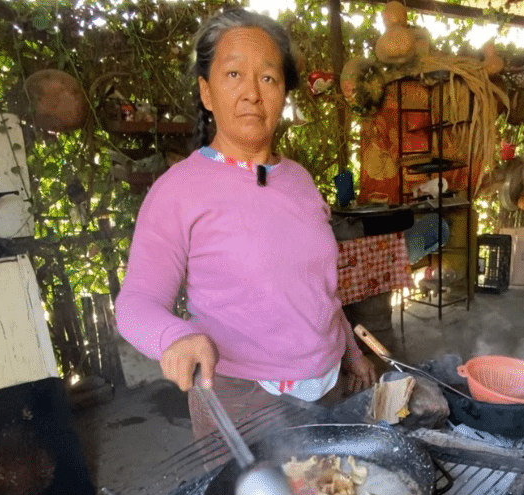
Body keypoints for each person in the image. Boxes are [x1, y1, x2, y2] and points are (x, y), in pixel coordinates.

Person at [114, 7, 377, 442]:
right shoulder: (177, 190)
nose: (252, 93)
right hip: (242, 400)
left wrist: (352, 353)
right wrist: (173, 337)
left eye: (268, 78)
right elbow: (137, 301)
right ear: (206, 92)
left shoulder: (300, 179)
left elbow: (319, 290)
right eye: (234, 74)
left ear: (283, 93)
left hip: (329, 387)